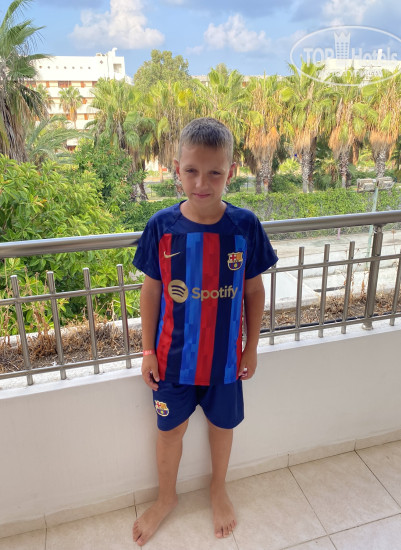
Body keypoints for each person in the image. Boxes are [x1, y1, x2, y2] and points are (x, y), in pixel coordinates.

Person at [132, 117, 278, 546]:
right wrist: (147, 351)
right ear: (176, 169)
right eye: (192, 170)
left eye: (214, 172)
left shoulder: (245, 226)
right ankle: (166, 498)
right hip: (171, 361)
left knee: (222, 426)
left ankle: (218, 489)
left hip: (226, 361)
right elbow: (151, 292)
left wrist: (252, 348)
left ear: (231, 172)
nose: (202, 182)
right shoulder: (161, 227)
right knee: (169, 432)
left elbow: (254, 290)